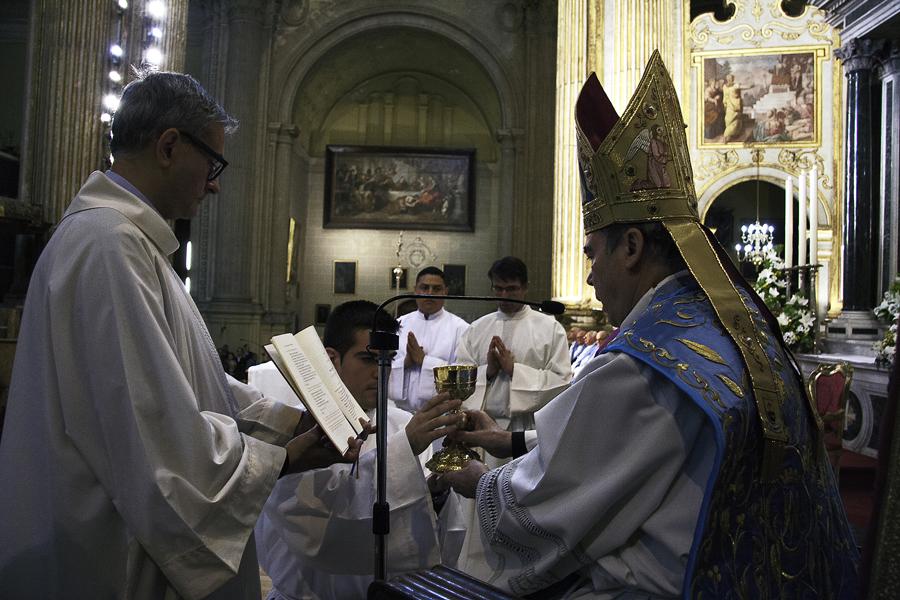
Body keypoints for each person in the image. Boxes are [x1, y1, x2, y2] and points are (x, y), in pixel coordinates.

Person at [439, 51, 858, 598]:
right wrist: (506, 438)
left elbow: (551, 508)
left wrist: (478, 482)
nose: (589, 277)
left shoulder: (649, 363)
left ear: (631, 246)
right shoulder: (732, 327)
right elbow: (623, 456)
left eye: (593, 256)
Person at [0, 71, 364, 600]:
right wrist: (284, 457)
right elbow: (155, 432)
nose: (215, 183)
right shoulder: (108, 246)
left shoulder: (131, 245)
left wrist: (290, 420)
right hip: (110, 556)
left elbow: (190, 383)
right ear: (169, 146)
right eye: (213, 164)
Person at [254, 300, 466, 599]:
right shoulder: (297, 432)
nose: (381, 372)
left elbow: (428, 543)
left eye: (388, 360)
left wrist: (437, 493)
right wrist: (405, 449)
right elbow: (319, 534)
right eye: (368, 359)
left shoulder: (404, 423)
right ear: (331, 359)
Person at [455, 256, 572, 435]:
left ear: (525, 287)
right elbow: (459, 379)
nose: (504, 296)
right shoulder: (477, 329)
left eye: (512, 289)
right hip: (484, 425)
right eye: (498, 289)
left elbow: (562, 381)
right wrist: (488, 372)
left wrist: (514, 371)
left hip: (529, 428)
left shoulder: (550, 328)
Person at [389, 266, 469, 413]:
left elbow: (464, 376)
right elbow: (382, 367)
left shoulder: (461, 329)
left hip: (440, 414)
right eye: (424, 288)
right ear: (416, 290)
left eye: (436, 289)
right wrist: (405, 363)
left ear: (445, 291)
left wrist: (424, 361)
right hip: (399, 412)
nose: (430, 293)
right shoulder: (399, 324)